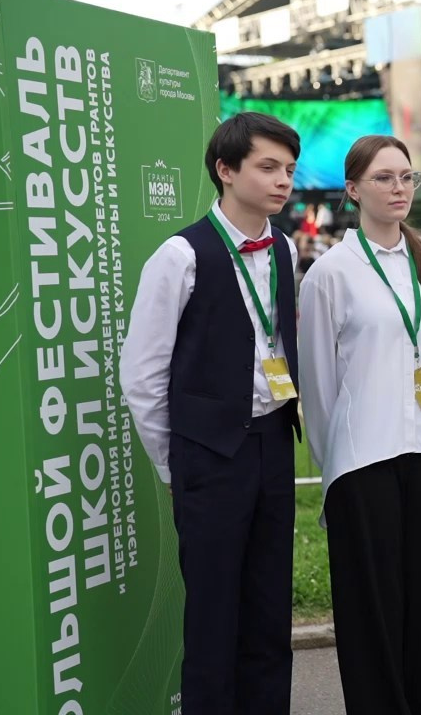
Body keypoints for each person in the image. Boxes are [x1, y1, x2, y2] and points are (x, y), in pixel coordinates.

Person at [120, 112, 301, 713]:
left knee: (270, 611)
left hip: (274, 443)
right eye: (268, 167)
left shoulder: (285, 247)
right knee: (213, 617)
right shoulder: (180, 255)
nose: (283, 181)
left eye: (289, 169)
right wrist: (174, 463)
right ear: (225, 170)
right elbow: (142, 374)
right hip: (209, 456)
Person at [297, 135, 421, 714]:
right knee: (373, 615)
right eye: (384, 178)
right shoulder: (330, 274)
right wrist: (333, 465)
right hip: (362, 461)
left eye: (406, 177)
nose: (399, 188)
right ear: (352, 190)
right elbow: (318, 386)